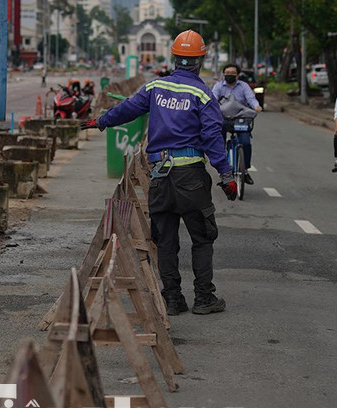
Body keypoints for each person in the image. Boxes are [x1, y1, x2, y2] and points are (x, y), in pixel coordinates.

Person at [87, 30, 233, 316]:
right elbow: (212, 137)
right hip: (191, 178)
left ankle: (173, 299)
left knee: (165, 241)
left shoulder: (155, 87)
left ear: (174, 57)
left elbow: (128, 109)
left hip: (160, 177)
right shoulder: (202, 94)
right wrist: (226, 176)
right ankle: (204, 298)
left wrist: (101, 121)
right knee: (202, 237)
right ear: (200, 60)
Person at [212, 63, 263, 183]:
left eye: (232, 73)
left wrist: (256, 106)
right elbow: (213, 99)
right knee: (219, 139)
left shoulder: (243, 86)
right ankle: (223, 166)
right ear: (223, 74)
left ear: (237, 75)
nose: (229, 75)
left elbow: (251, 98)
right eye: (227, 73)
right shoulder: (218, 86)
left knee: (245, 143)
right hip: (224, 118)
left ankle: (245, 170)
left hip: (240, 119)